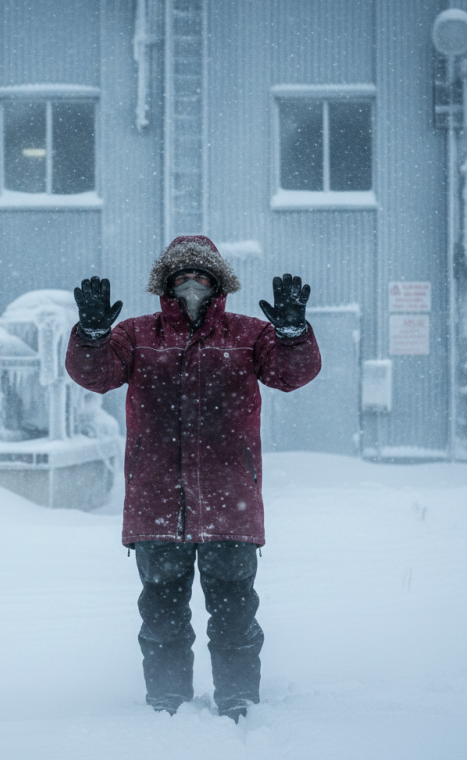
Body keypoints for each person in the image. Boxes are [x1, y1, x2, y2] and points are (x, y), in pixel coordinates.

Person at [65, 235, 321, 721]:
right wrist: (92, 336)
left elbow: (292, 374)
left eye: (201, 276)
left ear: (219, 282)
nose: (191, 285)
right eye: (180, 276)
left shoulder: (248, 335)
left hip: (231, 506)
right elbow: (94, 375)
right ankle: (167, 702)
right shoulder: (137, 334)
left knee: (235, 620)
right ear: (164, 283)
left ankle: (238, 699)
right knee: (161, 619)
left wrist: (292, 333)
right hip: (156, 505)